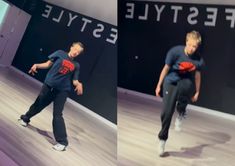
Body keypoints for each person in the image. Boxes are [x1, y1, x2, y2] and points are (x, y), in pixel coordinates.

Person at [18, 42, 84, 151]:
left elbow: (75, 81)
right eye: (75, 49)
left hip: (62, 91)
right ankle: (25, 118)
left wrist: (79, 84)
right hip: (49, 85)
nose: (76, 52)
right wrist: (37, 65)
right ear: (71, 47)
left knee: (58, 114)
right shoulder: (59, 53)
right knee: (39, 104)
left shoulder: (76, 65)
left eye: (79, 52)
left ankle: (62, 142)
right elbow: (48, 64)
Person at [155, 30, 205, 156]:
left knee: (188, 85)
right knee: (166, 113)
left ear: (197, 46)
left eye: (195, 46)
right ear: (186, 41)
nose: (192, 48)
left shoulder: (198, 60)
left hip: (185, 81)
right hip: (171, 81)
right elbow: (165, 68)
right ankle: (162, 139)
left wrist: (197, 92)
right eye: (190, 45)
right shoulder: (175, 52)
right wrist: (159, 85)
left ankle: (181, 111)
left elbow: (197, 77)